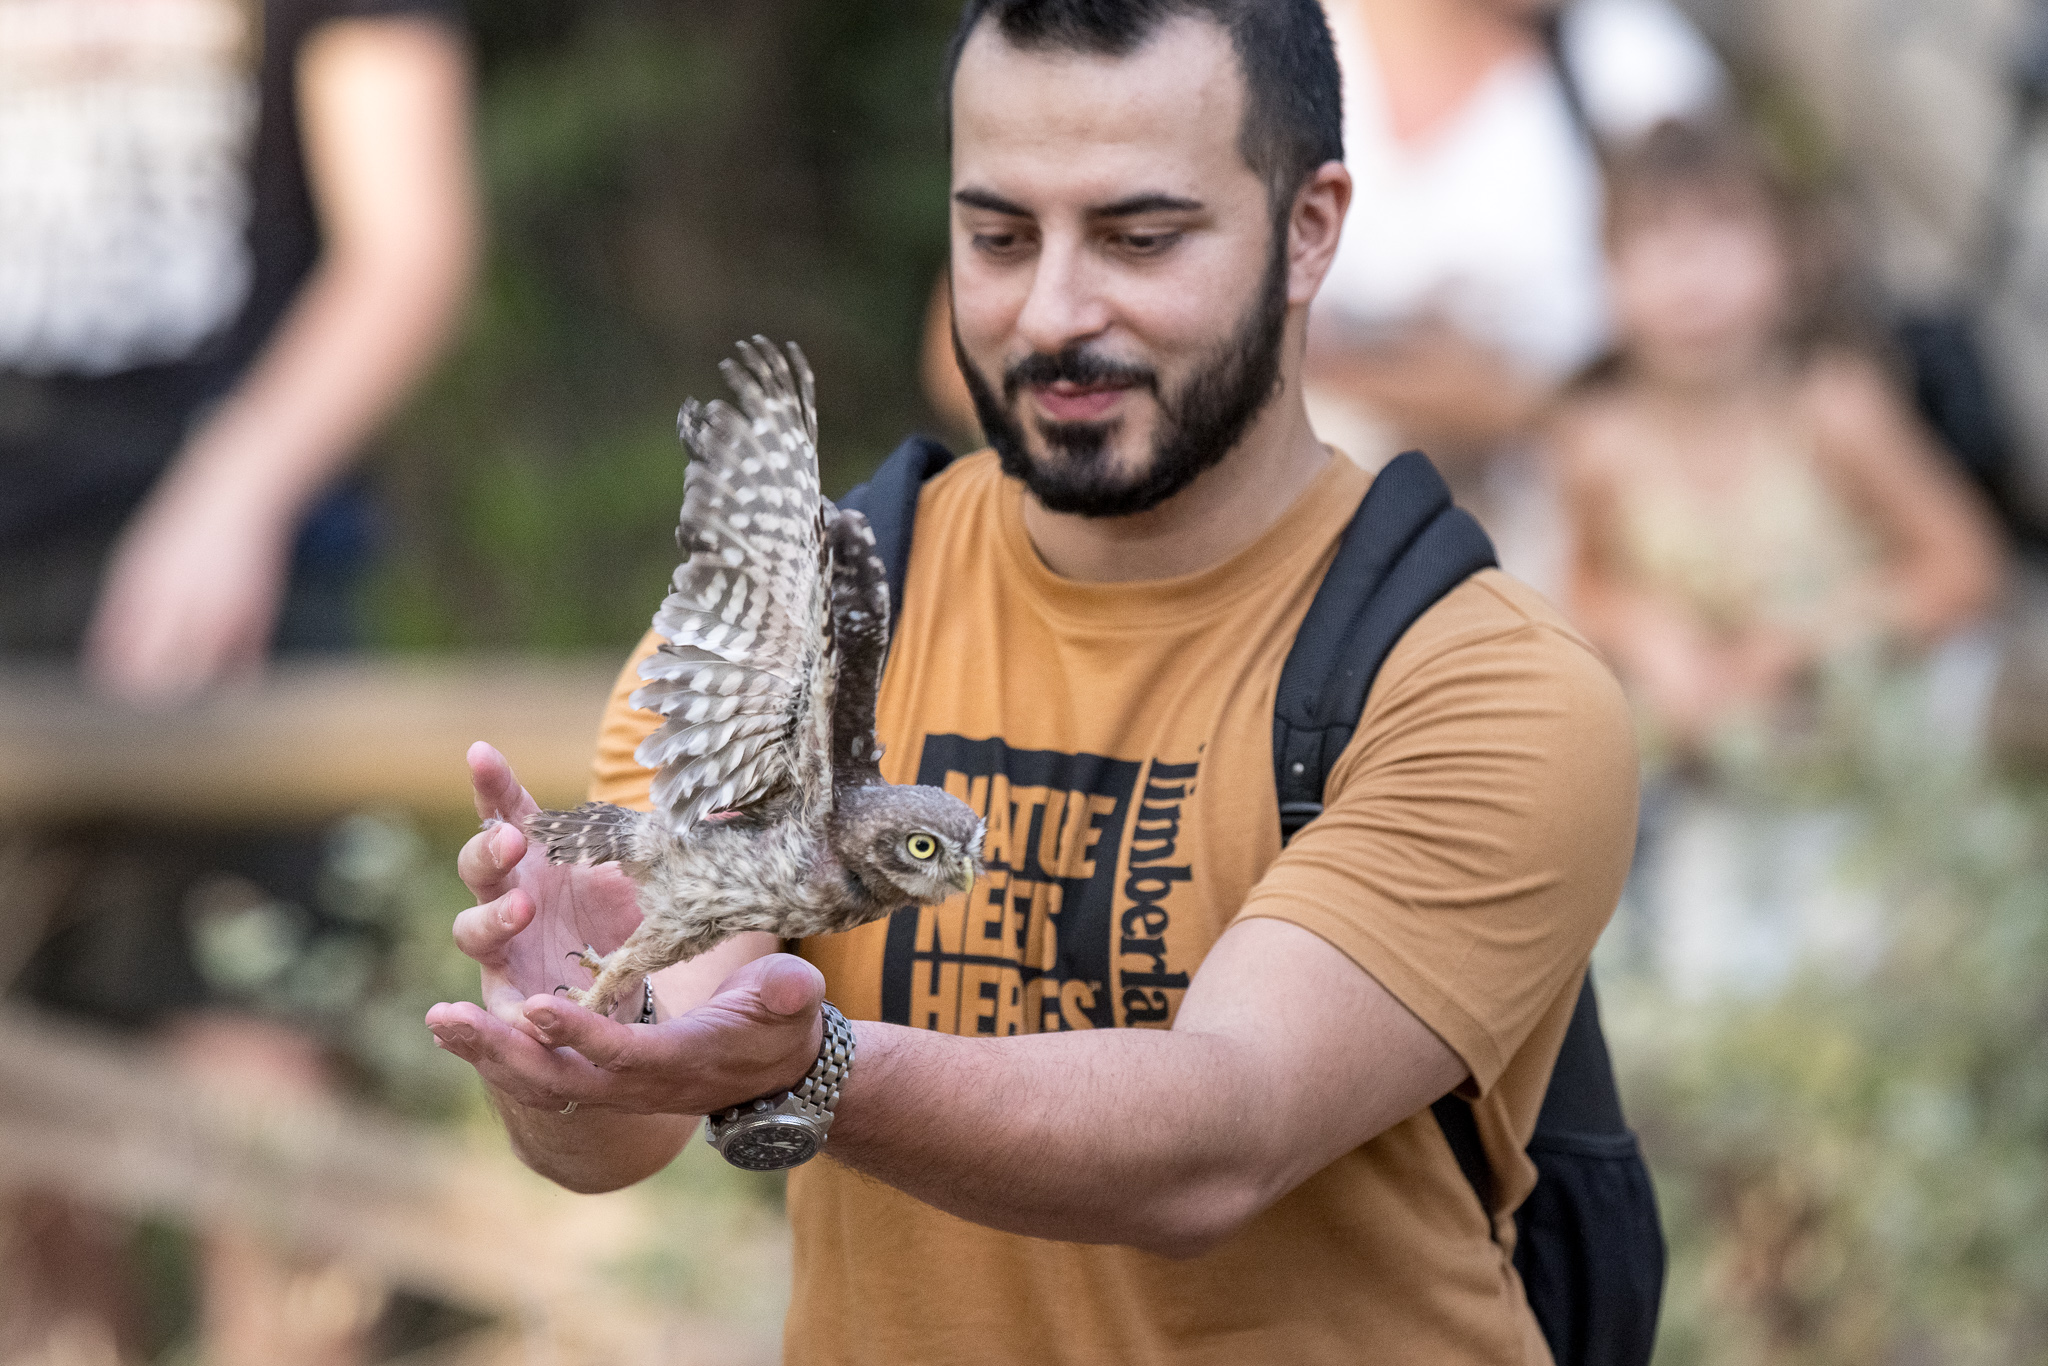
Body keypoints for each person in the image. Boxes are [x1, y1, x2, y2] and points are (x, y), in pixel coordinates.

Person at [429, 2, 1637, 1360]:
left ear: (1310, 229)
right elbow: (628, 1122)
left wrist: (808, 1064)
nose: (1055, 313)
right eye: (1000, 237)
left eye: (1140, 237)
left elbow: (1220, 1134)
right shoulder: (794, 627)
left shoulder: (1482, 686)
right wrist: (578, 1035)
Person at [0, 1, 477, 1362]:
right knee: (28, 1136)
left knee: (256, 1067)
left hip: (243, 570)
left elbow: (410, 242)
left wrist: (235, 490)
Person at [1553, 120, 2002, 763]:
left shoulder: (1832, 411)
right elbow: (1585, 583)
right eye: (1653, 241)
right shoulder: (1598, 441)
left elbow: (1968, 567)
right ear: (1608, 277)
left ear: (1790, 258)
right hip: (1702, 753)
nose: (1690, 274)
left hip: (1862, 737)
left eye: (1722, 233)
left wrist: (1808, 640)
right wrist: (1644, 630)